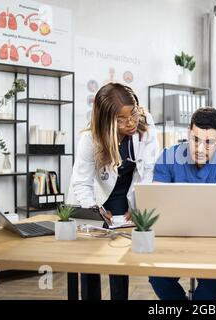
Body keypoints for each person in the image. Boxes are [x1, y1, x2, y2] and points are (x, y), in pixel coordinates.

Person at [67, 82, 159, 300]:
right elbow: (82, 182)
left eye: (133, 114)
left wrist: (136, 205)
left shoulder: (145, 125)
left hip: (124, 193)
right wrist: (94, 209)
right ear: (107, 119)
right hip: (94, 195)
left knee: (119, 255)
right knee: (90, 257)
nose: (131, 123)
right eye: (121, 119)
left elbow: (148, 170)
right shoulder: (90, 138)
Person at [148, 107, 216, 300]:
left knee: (211, 282)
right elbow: (156, 201)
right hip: (173, 236)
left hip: (213, 240)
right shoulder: (168, 156)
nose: (199, 148)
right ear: (189, 132)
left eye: (209, 143)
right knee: (157, 276)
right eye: (195, 139)